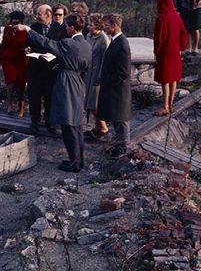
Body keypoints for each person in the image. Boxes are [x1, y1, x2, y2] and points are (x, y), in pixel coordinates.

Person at [16, 14, 91, 172]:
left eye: (66, 26)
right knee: (77, 124)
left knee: (68, 124)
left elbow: (46, 42)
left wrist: (28, 30)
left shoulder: (68, 43)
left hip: (67, 83)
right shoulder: (86, 44)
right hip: (78, 82)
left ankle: (74, 163)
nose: (65, 29)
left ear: (71, 27)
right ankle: (79, 160)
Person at [27, 4, 67, 133]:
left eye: (39, 14)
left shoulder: (60, 29)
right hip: (35, 68)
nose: (37, 16)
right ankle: (35, 120)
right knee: (34, 95)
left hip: (51, 68)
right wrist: (26, 48)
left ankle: (50, 121)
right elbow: (27, 42)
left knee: (50, 95)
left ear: (48, 15)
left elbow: (61, 47)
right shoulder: (34, 27)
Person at [97, 13, 132, 156]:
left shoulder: (122, 43)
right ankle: (118, 146)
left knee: (121, 120)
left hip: (118, 90)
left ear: (114, 26)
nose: (104, 28)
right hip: (115, 89)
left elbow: (123, 72)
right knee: (117, 120)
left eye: (106, 25)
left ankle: (122, 149)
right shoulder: (116, 41)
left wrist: (107, 81)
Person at [153, 0, 187, 116]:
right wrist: (181, 48)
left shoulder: (162, 18)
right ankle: (171, 104)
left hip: (165, 52)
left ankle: (165, 106)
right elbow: (183, 32)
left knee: (165, 80)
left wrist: (156, 52)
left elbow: (159, 38)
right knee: (173, 79)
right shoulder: (177, 16)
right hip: (175, 51)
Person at [84, 13, 111, 139]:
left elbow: (106, 60)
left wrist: (100, 77)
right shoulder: (88, 36)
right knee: (87, 101)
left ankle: (104, 128)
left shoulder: (104, 39)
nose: (88, 26)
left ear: (97, 25)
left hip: (97, 74)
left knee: (93, 104)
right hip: (88, 73)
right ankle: (97, 127)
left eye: (90, 24)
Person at [0, 11, 28, 117]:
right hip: (8, 59)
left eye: (17, 22)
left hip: (21, 60)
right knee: (11, 80)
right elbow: (4, 43)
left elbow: (27, 44)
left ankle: (21, 107)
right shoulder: (8, 29)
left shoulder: (25, 31)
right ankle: (9, 104)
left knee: (21, 83)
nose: (15, 24)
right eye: (13, 22)